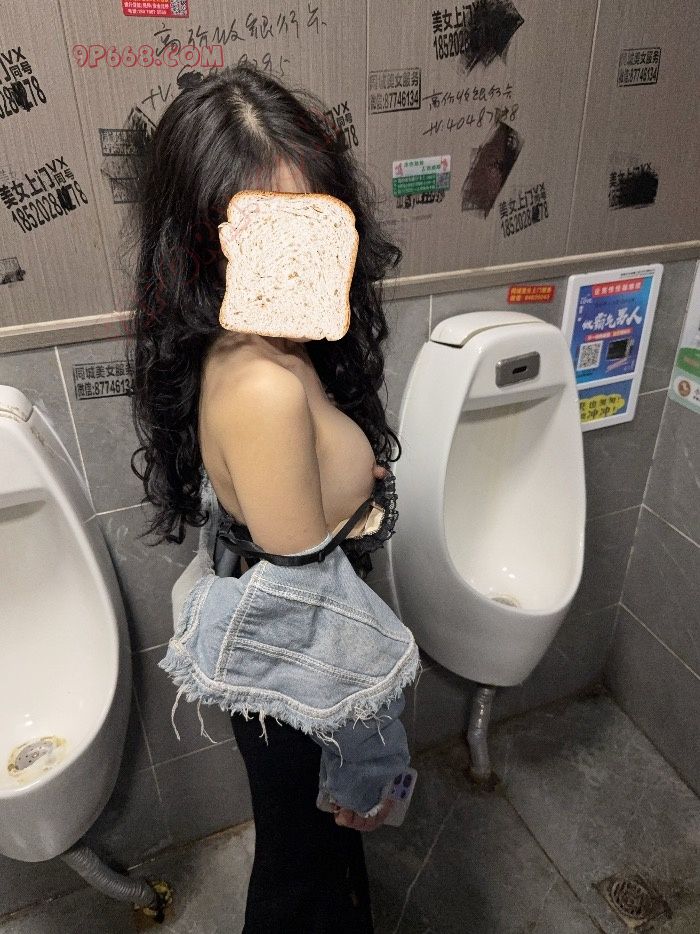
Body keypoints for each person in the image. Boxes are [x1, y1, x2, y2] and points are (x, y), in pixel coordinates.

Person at [126, 62, 405, 932]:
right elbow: (313, 623)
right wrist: (372, 760)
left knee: (310, 863)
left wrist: (352, 480)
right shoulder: (267, 389)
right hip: (305, 688)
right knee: (303, 881)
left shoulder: (253, 336)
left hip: (286, 666)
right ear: (207, 244)